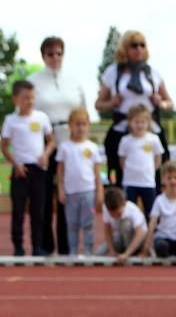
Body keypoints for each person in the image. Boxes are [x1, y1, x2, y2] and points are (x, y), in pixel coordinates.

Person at [29, 36, 87, 254]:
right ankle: (44, 245)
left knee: (67, 194)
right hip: (43, 144)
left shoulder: (74, 82)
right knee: (43, 195)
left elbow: (82, 111)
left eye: (59, 53)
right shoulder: (33, 81)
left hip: (69, 141)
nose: (55, 58)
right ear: (43, 56)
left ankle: (66, 246)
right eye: (50, 54)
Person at [95, 30, 173, 188]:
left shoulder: (152, 73)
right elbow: (98, 104)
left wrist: (161, 103)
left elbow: (170, 103)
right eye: (134, 45)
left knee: (156, 172)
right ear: (125, 49)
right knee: (121, 173)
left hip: (150, 129)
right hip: (122, 130)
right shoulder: (113, 72)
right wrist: (112, 103)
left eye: (142, 45)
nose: (138, 49)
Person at [2, 80, 55, 256]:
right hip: (20, 169)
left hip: (38, 169)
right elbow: (4, 146)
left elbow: (51, 141)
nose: (30, 101)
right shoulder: (11, 120)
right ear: (15, 99)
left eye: (32, 98)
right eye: (25, 98)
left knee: (38, 210)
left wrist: (46, 154)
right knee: (18, 210)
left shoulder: (41, 117)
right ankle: (18, 246)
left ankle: (37, 246)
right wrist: (15, 163)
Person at [55, 107, 103, 256]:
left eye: (84, 124)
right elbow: (60, 171)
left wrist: (99, 192)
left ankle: (88, 251)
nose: (80, 128)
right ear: (70, 126)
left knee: (88, 224)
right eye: (77, 124)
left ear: (88, 126)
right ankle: (73, 252)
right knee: (72, 225)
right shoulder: (64, 147)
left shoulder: (92, 147)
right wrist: (60, 190)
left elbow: (97, 173)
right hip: (70, 193)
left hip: (88, 191)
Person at [118, 105, 164, 218]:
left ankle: (151, 230)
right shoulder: (125, 140)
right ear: (130, 122)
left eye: (142, 122)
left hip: (148, 182)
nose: (139, 125)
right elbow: (122, 160)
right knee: (129, 213)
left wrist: (151, 170)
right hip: (130, 182)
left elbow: (158, 158)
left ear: (148, 123)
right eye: (136, 122)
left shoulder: (153, 139)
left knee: (151, 212)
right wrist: (130, 171)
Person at [100, 187, 148, 263]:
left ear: (124, 204)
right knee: (100, 253)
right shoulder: (105, 208)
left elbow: (140, 233)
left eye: (118, 214)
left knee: (125, 224)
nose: (115, 217)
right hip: (120, 238)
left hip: (136, 241)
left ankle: (130, 252)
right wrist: (112, 250)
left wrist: (126, 254)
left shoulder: (132, 210)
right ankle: (121, 251)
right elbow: (107, 230)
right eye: (112, 215)